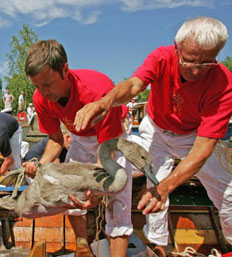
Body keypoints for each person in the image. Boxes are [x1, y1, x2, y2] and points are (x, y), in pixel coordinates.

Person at [74, 17, 232, 256]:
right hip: (155, 131)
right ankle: (158, 245)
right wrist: (106, 101)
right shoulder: (161, 57)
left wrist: (167, 186)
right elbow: (134, 85)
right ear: (176, 48)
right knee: (152, 184)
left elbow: (202, 149)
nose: (196, 70)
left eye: (207, 62)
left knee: (228, 193)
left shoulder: (224, 84)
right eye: (189, 60)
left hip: (193, 136)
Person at [23, 39, 134, 257]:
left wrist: (97, 190)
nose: (43, 92)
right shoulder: (40, 98)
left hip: (114, 138)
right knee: (70, 193)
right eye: (36, 86)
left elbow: (107, 153)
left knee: (118, 200)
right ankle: (83, 247)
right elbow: (55, 140)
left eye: (48, 84)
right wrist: (40, 165)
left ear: (65, 69)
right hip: (80, 137)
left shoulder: (97, 90)